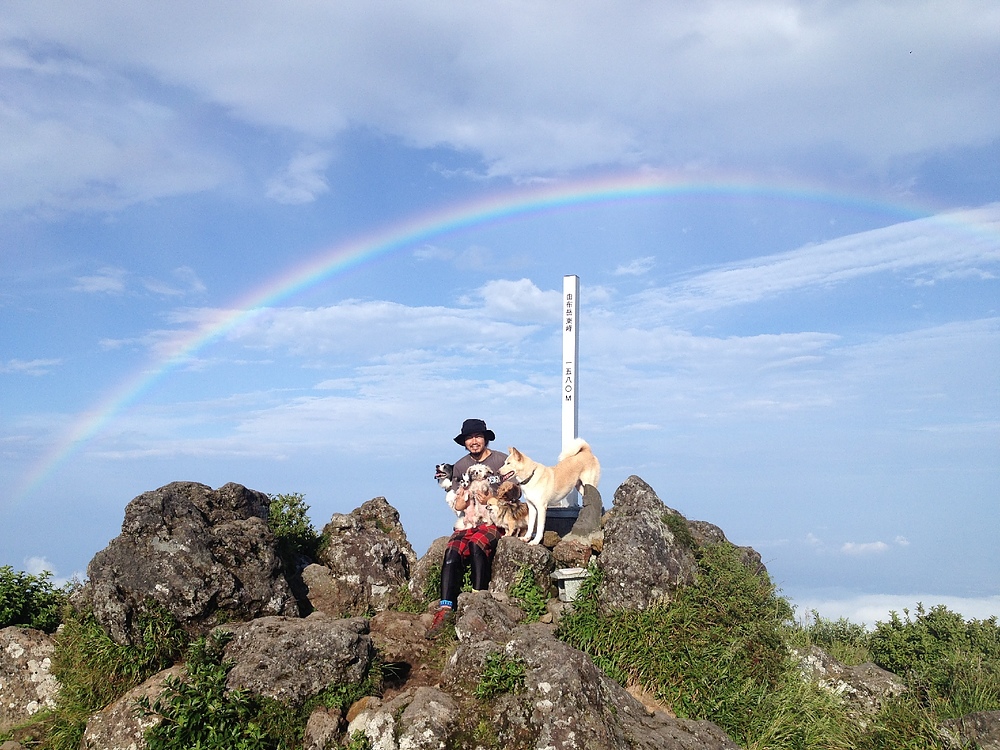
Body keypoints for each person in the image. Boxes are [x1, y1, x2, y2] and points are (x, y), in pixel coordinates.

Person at [426, 418, 508, 638]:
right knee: (452, 551)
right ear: (464, 441)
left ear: (485, 438)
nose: (474, 441)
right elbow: (457, 502)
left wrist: (492, 497)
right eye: (470, 438)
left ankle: (478, 601)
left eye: (478, 436)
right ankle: (445, 609)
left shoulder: (502, 461)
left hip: (495, 519)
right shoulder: (460, 466)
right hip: (469, 520)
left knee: (477, 546)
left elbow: (516, 492)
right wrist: (460, 503)